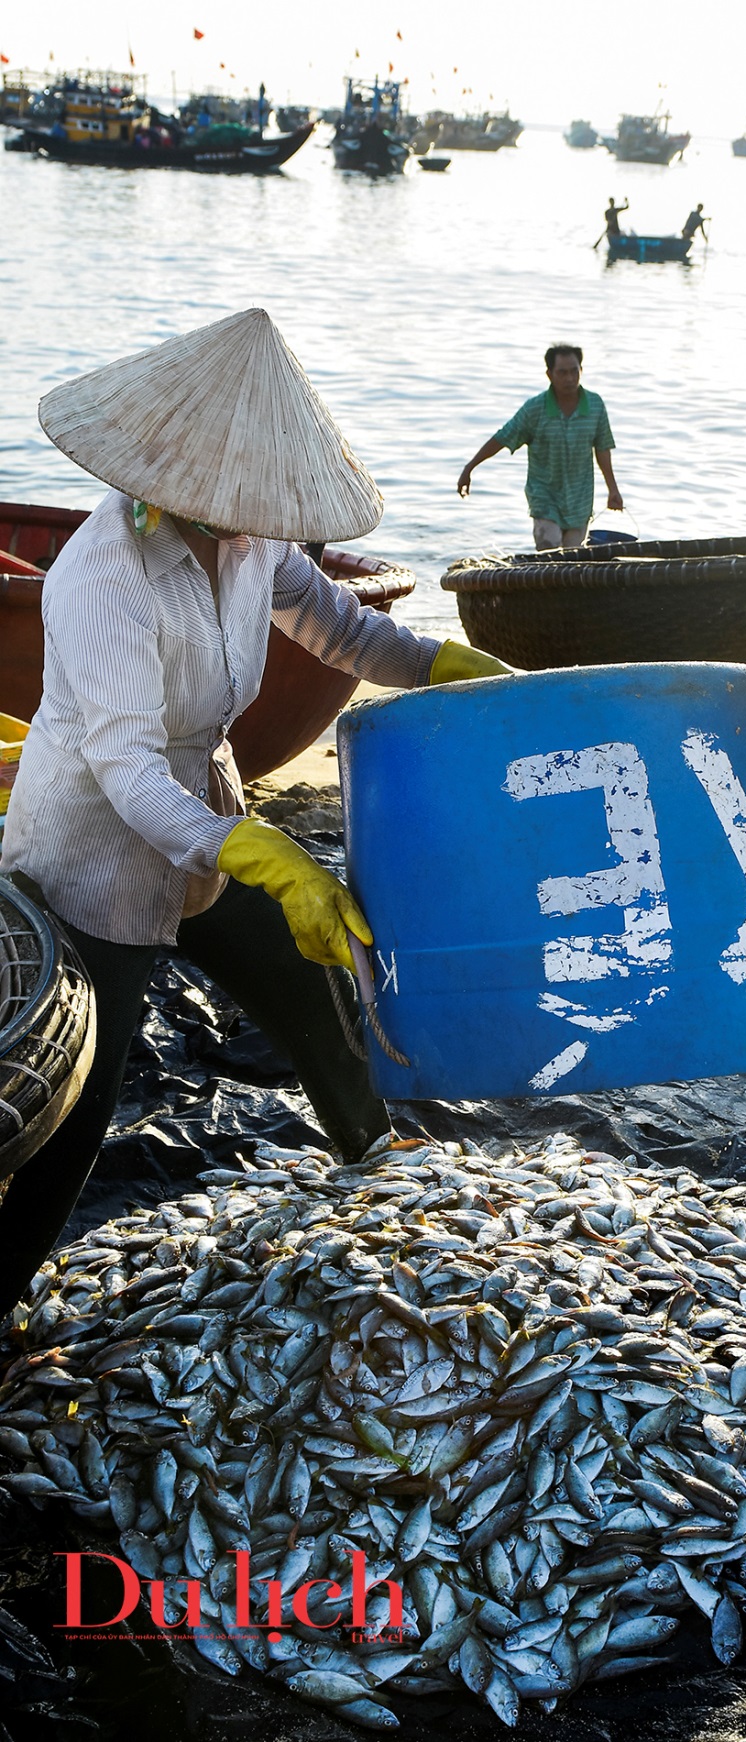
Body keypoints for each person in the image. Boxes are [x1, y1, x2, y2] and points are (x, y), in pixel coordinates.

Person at [0, 307, 508, 1319]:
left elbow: (346, 629)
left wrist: (459, 672)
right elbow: (130, 772)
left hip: (209, 824)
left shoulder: (252, 546)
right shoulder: (103, 576)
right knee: (78, 1102)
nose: (254, 511)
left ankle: (374, 1164)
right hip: (94, 852)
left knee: (308, 991)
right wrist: (270, 852)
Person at [457, 344, 623, 550]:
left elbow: (602, 448)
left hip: (580, 500)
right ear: (549, 374)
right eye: (562, 372)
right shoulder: (535, 409)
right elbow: (502, 438)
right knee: (550, 551)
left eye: (574, 371)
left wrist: (612, 489)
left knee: (574, 561)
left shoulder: (595, 405)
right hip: (545, 498)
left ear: (581, 370)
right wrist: (470, 467)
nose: (570, 378)